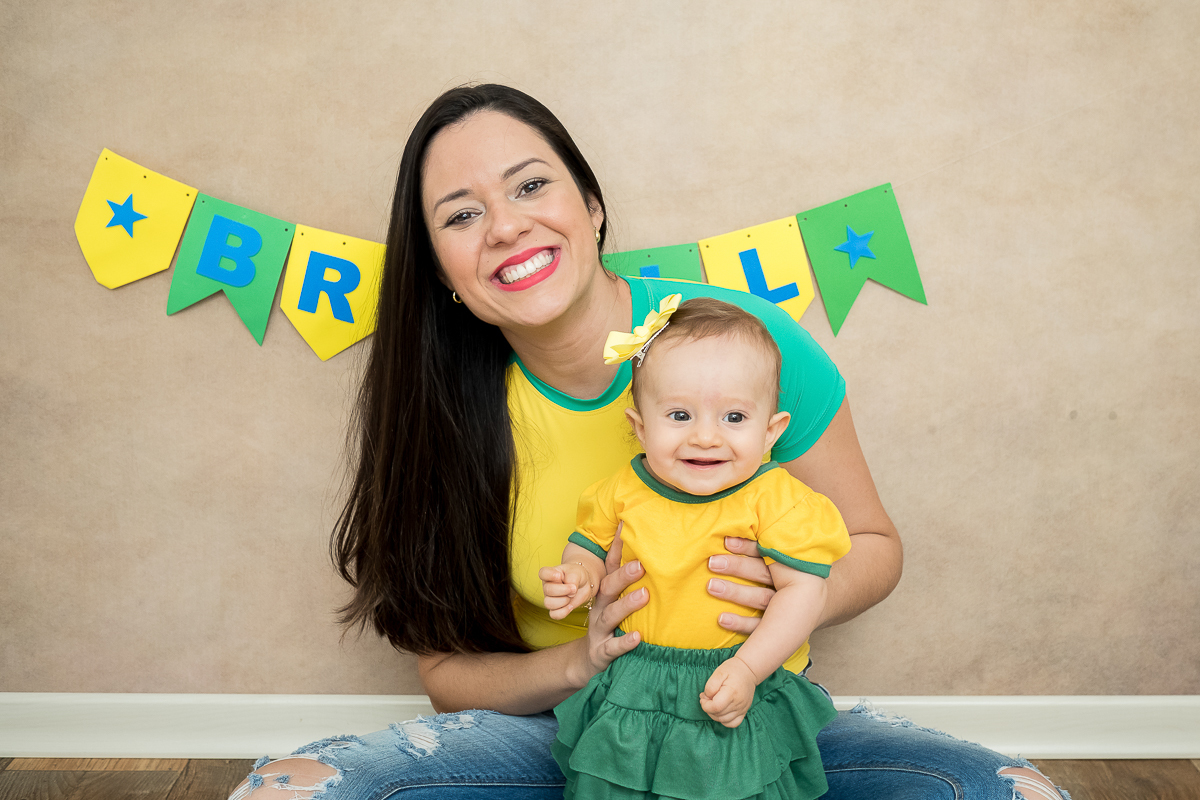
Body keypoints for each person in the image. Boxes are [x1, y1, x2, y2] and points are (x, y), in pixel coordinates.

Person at [229, 84, 1067, 800]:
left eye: (530, 187)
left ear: (590, 207)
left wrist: (789, 602)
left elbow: (875, 544)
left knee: (1010, 792)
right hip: (565, 736)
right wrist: (581, 662)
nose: (507, 227)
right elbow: (446, 674)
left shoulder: (746, 346)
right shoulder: (439, 411)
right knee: (290, 787)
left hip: (751, 716)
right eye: (462, 214)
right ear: (442, 274)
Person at [543, 295, 852, 799]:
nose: (706, 438)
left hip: (732, 673)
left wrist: (750, 667)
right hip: (635, 681)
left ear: (771, 431)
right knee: (617, 783)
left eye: (734, 418)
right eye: (680, 415)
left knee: (734, 784)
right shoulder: (622, 491)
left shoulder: (777, 501)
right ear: (640, 427)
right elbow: (590, 549)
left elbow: (805, 593)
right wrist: (578, 576)